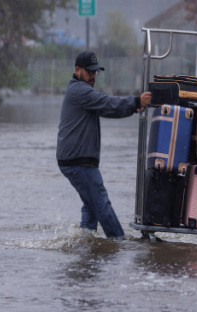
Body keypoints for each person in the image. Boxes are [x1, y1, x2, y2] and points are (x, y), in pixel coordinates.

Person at [56, 51, 151, 239]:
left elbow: (106, 106)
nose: (93, 76)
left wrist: (133, 106)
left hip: (75, 159)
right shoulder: (80, 91)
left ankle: (85, 242)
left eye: (95, 72)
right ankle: (119, 243)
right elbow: (106, 104)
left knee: (92, 206)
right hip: (78, 161)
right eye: (89, 72)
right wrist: (136, 101)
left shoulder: (80, 90)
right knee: (101, 204)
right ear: (77, 70)